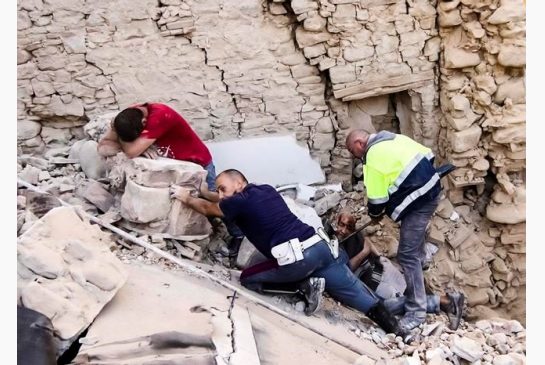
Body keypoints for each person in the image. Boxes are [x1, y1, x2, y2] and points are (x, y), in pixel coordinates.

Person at [170, 169, 410, 337]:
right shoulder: (264, 189)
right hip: (322, 248)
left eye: (223, 188)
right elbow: (221, 201)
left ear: (239, 184)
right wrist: (206, 191)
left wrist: (185, 196)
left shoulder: (237, 201)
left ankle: (304, 286)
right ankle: (398, 331)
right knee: (360, 296)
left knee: (248, 278)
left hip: (300, 258)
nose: (221, 194)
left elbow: (209, 208)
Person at [97, 102, 244, 256]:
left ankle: (239, 235)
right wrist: (131, 142)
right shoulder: (126, 118)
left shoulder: (160, 115)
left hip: (198, 164)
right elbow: (103, 147)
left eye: (138, 137)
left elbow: (131, 151)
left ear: (144, 123)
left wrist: (128, 143)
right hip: (173, 168)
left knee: (221, 203)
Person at [345, 129, 452, 332]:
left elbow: (377, 201)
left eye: (353, 151)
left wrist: (376, 215)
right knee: (414, 249)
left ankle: (416, 311)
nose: (355, 156)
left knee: (406, 256)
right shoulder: (393, 138)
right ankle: (422, 264)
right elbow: (429, 155)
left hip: (418, 203)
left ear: (360, 143)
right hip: (432, 190)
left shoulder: (372, 158)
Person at [328, 211, 465, 330]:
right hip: (380, 270)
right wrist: (375, 255)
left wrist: (369, 253)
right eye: (341, 225)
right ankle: (444, 302)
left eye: (348, 227)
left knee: (385, 307)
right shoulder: (343, 238)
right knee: (408, 293)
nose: (344, 230)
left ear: (353, 229)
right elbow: (368, 244)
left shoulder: (351, 238)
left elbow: (347, 269)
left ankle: (444, 302)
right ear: (336, 223)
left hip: (377, 279)